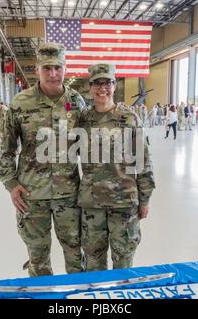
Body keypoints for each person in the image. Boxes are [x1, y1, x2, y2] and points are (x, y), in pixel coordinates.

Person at [0, 43, 86, 277]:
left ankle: (77, 297)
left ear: (65, 68)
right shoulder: (20, 103)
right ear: (37, 69)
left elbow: (88, 149)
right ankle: (43, 295)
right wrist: (10, 184)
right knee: (37, 255)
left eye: (58, 67)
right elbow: (6, 149)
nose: (53, 73)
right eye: (47, 68)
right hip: (31, 194)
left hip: (69, 193)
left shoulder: (77, 102)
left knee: (75, 252)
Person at [77, 64, 155, 271]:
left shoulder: (129, 119)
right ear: (90, 86)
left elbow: (144, 162)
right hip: (92, 204)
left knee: (123, 262)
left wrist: (145, 199)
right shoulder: (83, 119)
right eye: (97, 83)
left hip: (124, 204)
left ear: (114, 85)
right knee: (94, 262)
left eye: (107, 83)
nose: (102, 88)